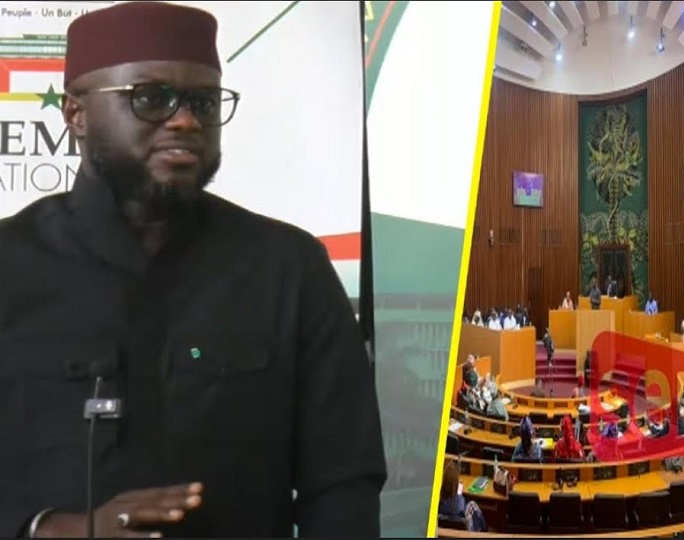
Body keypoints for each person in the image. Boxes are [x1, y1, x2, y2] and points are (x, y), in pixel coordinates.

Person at [0, 3, 385, 537]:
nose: (185, 120)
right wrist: (48, 530)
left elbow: (344, 484)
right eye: (150, 97)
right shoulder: (10, 264)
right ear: (76, 114)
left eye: (204, 101)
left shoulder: (289, 269)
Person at [437, 460, 487, 532]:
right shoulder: (459, 503)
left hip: (445, 532)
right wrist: (459, 494)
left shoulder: (440, 501)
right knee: (472, 506)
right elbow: (460, 508)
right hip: (463, 530)